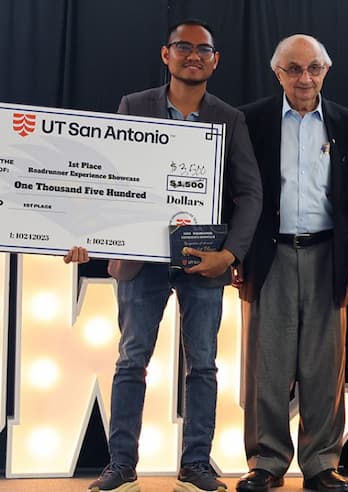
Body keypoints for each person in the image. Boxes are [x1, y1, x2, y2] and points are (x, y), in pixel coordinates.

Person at [64, 18, 263, 492]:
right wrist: (87, 235)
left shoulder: (228, 119)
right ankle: (121, 463)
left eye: (203, 50)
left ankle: (196, 464)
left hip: (204, 259)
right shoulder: (134, 106)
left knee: (204, 365)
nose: (193, 55)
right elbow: (107, 180)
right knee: (131, 360)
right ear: (165, 54)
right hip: (141, 259)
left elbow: (251, 194)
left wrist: (230, 254)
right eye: (183, 47)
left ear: (215, 60)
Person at [234, 34, 348, 492]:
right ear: (277, 73)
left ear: (325, 71)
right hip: (268, 256)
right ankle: (266, 462)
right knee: (267, 365)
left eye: (312, 68)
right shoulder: (249, 121)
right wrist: (235, 251)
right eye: (293, 69)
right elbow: (235, 192)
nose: (304, 78)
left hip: (328, 255)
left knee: (324, 366)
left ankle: (321, 464)